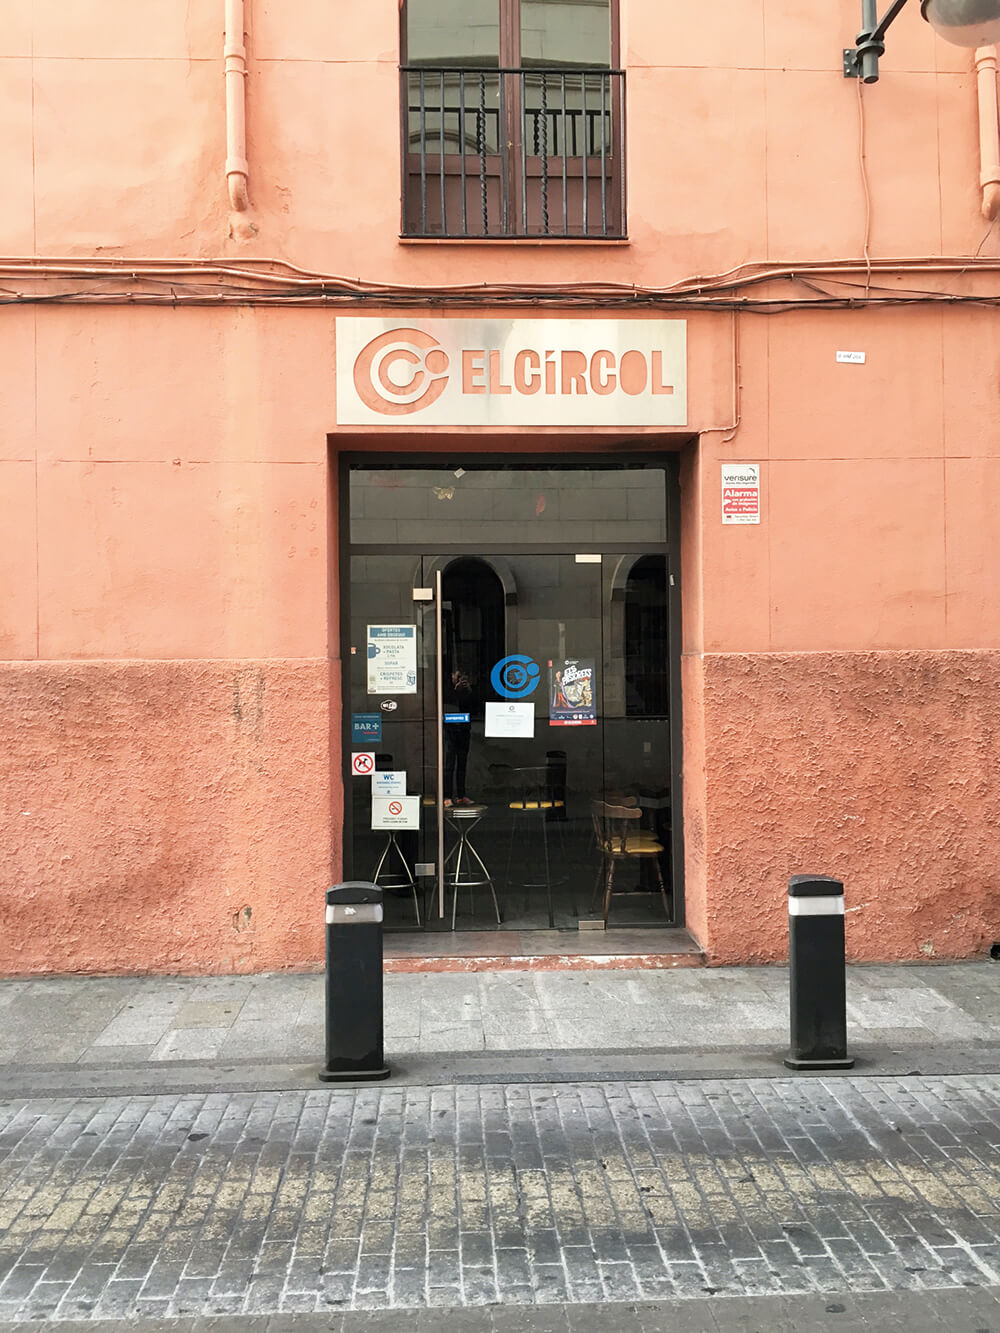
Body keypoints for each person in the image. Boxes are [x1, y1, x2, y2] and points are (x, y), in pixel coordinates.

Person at [443, 669, 474, 806]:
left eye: (463, 677)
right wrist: (456, 691)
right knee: (448, 765)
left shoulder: (468, 692)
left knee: (462, 764)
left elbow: (474, 708)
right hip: (450, 731)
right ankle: (447, 795)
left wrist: (469, 691)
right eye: (458, 676)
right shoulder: (447, 690)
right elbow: (447, 705)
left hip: (464, 730)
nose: (461, 680)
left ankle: (461, 795)